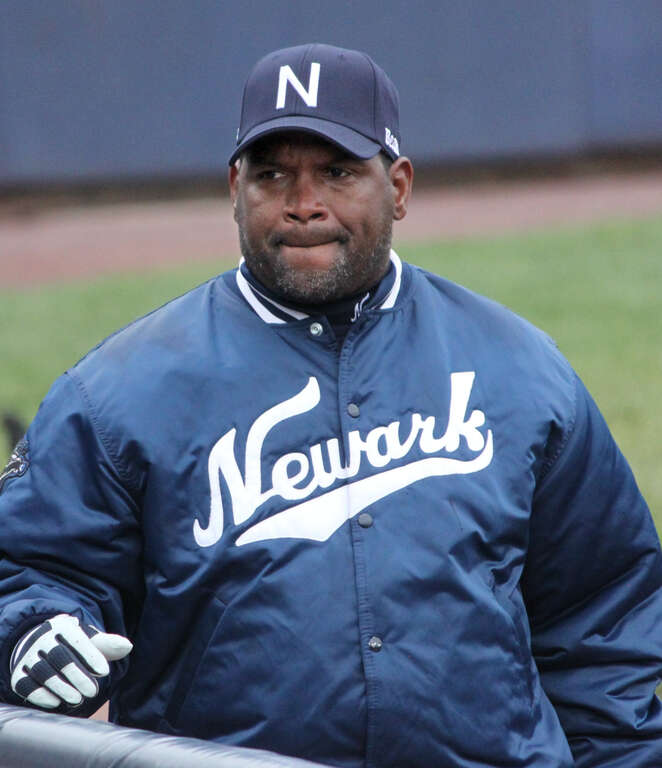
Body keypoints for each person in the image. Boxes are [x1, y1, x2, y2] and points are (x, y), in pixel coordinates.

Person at [0, 43, 661, 768]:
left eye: (338, 172)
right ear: (234, 187)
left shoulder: (520, 370)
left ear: (399, 186)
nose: (304, 202)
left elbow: (607, 620)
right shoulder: (120, 392)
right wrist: (31, 628)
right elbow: (30, 569)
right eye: (273, 173)